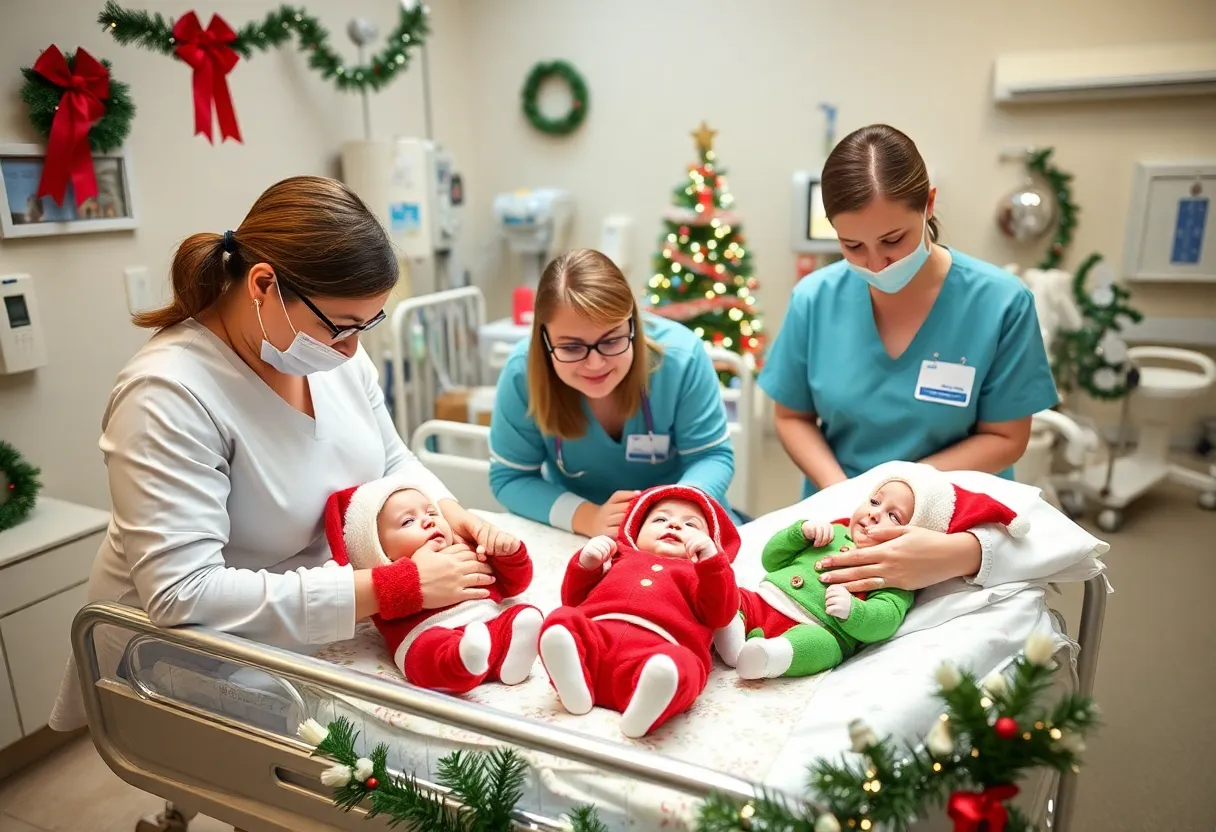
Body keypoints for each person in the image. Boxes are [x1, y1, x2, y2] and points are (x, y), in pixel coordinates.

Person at [50, 176, 512, 732]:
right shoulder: (167, 395)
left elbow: (391, 461)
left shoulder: (326, 354)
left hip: (322, 611)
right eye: (341, 327)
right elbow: (182, 593)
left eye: (368, 325)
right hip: (189, 654)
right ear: (264, 285)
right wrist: (396, 587)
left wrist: (452, 514)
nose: (353, 349)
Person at [759, 124, 1058, 596]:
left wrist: (904, 490)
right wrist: (847, 494)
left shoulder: (1000, 302)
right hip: (844, 512)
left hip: (953, 522)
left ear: (929, 204)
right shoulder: (815, 299)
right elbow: (791, 416)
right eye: (852, 246)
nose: (876, 263)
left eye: (893, 239)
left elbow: (1006, 437)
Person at [489, 249, 737, 538]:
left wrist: (672, 515)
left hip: (678, 530)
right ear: (544, 339)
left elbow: (712, 456)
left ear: (632, 324)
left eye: (611, 341)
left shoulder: (681, 358)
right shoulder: (523, 372)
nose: (595, 364)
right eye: (571, 347)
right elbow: (511, 478)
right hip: (582, 536)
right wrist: (588, 518)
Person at [714, 462, 1028, 680]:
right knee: (736, 597)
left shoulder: (898, 572)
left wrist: (853, 612)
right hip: (765, 599)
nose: (875, 514)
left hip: (817, 628)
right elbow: (771, 560)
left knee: (824, 648)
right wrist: (799, 533)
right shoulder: (831, 532)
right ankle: (730, 632)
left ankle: (769, 657)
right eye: (875, 501)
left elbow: (885, 620)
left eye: (894, 516)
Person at [538, 485, 740, 738]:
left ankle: (647, 706)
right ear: (635, 529)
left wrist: (713, 564)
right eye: (660, 519)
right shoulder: (616, 557)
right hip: (595, 641)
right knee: (561, 620)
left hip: (657, 652)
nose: (674, 525)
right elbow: (573, 600)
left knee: (681, 664)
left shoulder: (702, 575)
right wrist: (587, 563)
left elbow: (721, 614)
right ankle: (574, 686)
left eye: (691, 525)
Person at [323, 476, 542, 694]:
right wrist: (408, 577)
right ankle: (463, 662)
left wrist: (508, 553)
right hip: (430, 636)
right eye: (407, 521)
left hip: (486, 624)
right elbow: (363, 598)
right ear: (377, 549)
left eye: (432, 512)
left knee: (522, 616)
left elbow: (513, 585)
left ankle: (507, 660)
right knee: (427, 654)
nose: (429, 521)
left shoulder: (467, 549)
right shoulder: (390, 580)